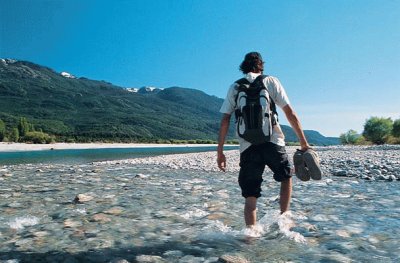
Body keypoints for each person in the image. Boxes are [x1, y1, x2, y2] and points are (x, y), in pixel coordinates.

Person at [217, 52, 310, 227]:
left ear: (243, 66)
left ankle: (251, 237)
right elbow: (290, 112)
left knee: (250, 195)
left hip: (247, 147)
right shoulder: (271, 81)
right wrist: (303, 142)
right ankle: (284, 219)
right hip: (273, 141)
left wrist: (220, 152)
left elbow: (225, 120)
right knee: (285, 177)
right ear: (261, 65)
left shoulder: (235, 87)